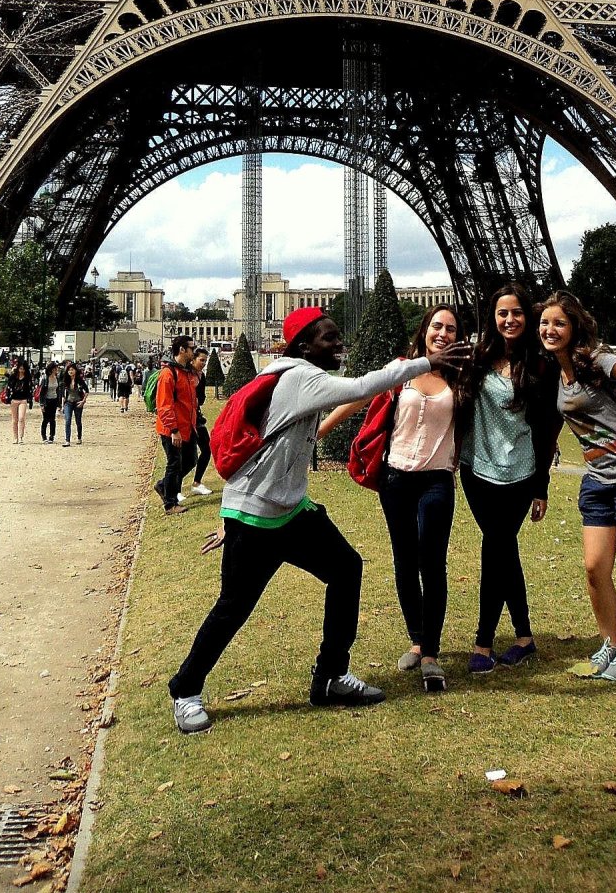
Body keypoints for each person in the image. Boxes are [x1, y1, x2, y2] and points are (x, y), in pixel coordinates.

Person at [165, 306, 471, 734]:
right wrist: (425, 362)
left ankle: (330, 676)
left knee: (346, 569)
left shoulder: (293, 374)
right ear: (305, 345)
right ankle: (185, 688)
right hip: (255, 516)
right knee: (234, 607)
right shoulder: (299, 377)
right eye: (329, 337)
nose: (339, 343)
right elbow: (364, 386)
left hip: (290, 510)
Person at [318, 303, 469, 693]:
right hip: (396, 478)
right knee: (404, 559)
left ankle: (432, 654)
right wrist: (317, 432)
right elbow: (359, 396)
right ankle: (417, 639)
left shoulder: (462, 376)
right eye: (437, 326)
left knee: (432, 562)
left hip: (436, 479)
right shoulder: (403, 369)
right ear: (424, 330)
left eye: (451, 329)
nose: (443, 334)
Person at [538, 291, 616, 683]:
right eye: (545, 323)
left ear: (574, 327)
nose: (550, 329)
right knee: (595, 568)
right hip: (596, 481)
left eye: (559, 322)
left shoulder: (596, 360)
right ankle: (608, 644)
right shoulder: (556, 373)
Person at [458, 284, 560, 675]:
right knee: (503, 549)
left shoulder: (541, 364)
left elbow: (548, 427)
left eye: (516, 312)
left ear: (527, 316)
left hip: (521, 471)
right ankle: (524, 638)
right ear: (493, 318)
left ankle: (484, 641)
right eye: (503, 313)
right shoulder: (479, 357)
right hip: (476, 469)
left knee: (495, 548)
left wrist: (542, 486)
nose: (510, 320)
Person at [154, 338, 198, 513]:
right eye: (191, 348)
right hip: (173, 428)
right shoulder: (168, 373)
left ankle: (164, 486)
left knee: (190, 460)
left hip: (187, 425)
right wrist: (174, 430)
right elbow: (164, 405)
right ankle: (170, 503)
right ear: (182, 350)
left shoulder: (186, 372)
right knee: (174, 464)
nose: (193, 352)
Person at [189, 347, 215, 497]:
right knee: (186, 456)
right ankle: (174, 487)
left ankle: (197, 482)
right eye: (201, 360)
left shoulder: (201, 376)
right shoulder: (186, 374)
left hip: (197, 417)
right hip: (187, 418)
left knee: (206, 448)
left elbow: (202, 398)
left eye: (206, 360)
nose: (204, 363)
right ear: (193, 359)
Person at [59, 361, 89, 445]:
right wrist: (62, 406)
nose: (70, 372)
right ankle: (67, 440)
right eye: (69, 370)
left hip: (78, 402)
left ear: (75, 370)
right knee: (67, 420)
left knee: (78, 421)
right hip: (68, 402)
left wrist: (83, 401)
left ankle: (79, 437)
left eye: (72, 370)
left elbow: (86, 391)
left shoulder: (80, 380)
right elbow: (63, 394)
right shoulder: (66, 380)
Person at [7, 359, 33, 443]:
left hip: (23, 399)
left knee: (21, 418)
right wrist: (8, 397)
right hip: (14, 399)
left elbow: (30, 390)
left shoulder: (27, 378)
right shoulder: (13, 376)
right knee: (14, 420)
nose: (21, 370)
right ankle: (15, 437)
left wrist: (30, 400)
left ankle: (21, 437)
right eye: (20, 368)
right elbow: (8, 387)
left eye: (23, 369)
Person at [39, 360, 60, 442]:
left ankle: (52, 436)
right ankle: (44, 436)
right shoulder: (45, 378)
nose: (56, 370)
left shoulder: (57, 378)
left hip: (54, 400)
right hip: (46, 400)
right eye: (55, 369)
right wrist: (42, 404)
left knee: (52, 419)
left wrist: (59, 403)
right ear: (51, 369)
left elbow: (58, 390)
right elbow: (42, 392)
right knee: (45, 419)